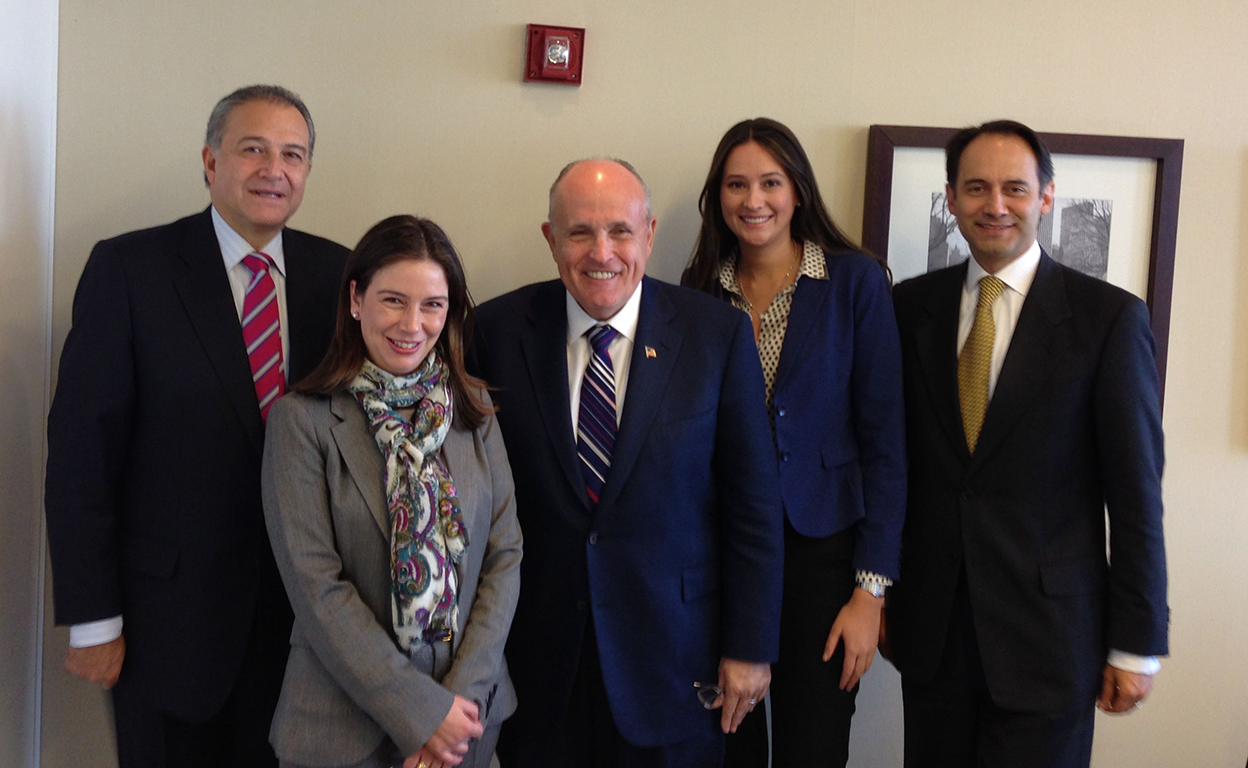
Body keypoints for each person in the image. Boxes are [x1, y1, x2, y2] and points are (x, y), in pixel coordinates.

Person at [44, 84, 350, 767]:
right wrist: (94, 619)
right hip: (167, 630)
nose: (275, 169)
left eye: (293, 154)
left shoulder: (338, 277)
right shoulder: (130, 270)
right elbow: (80, 456)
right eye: (253, 149)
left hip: (304, 633)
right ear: (211, 162)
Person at [471, 158, 784, 767]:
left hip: (676, 661)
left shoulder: (715, 335)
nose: (601, 252)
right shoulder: (496, 330)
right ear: (551, 238)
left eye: (619, 230)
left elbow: (753, 505)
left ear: (649, 233)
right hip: (541, 665)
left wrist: (750, 646)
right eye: (580, 232)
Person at [887, 120, 1169, 767]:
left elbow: (1135, 497)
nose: (995, 205)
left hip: (1051, 642)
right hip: (932, 638)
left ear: (1045, 197)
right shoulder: (908, 309)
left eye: (1014, 188)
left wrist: (1136, 644)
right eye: (976, 188)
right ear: (952, 197)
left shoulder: (1109, 320)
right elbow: (893, 467)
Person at [680, 118, 906, 768]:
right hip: (722, 556)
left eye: (770, 182)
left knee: (815, 747)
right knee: (728, 742)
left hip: (825, 559)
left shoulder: (855, 284)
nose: (754, 200)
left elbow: (885, 445)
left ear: (798, 190)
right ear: (717, 197)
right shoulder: (697, 291)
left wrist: (870, 593)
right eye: (737, 185)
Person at [260, 215, 522, 768]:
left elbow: (504, 558)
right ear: (356, 300)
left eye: (432, 304)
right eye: (393, 300)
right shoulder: (301, 422)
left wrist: (457, 711)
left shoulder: (474, 414)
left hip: (468, 732)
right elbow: (317, 590)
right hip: (341, 733)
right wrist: (422, 714)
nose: (413, 323)